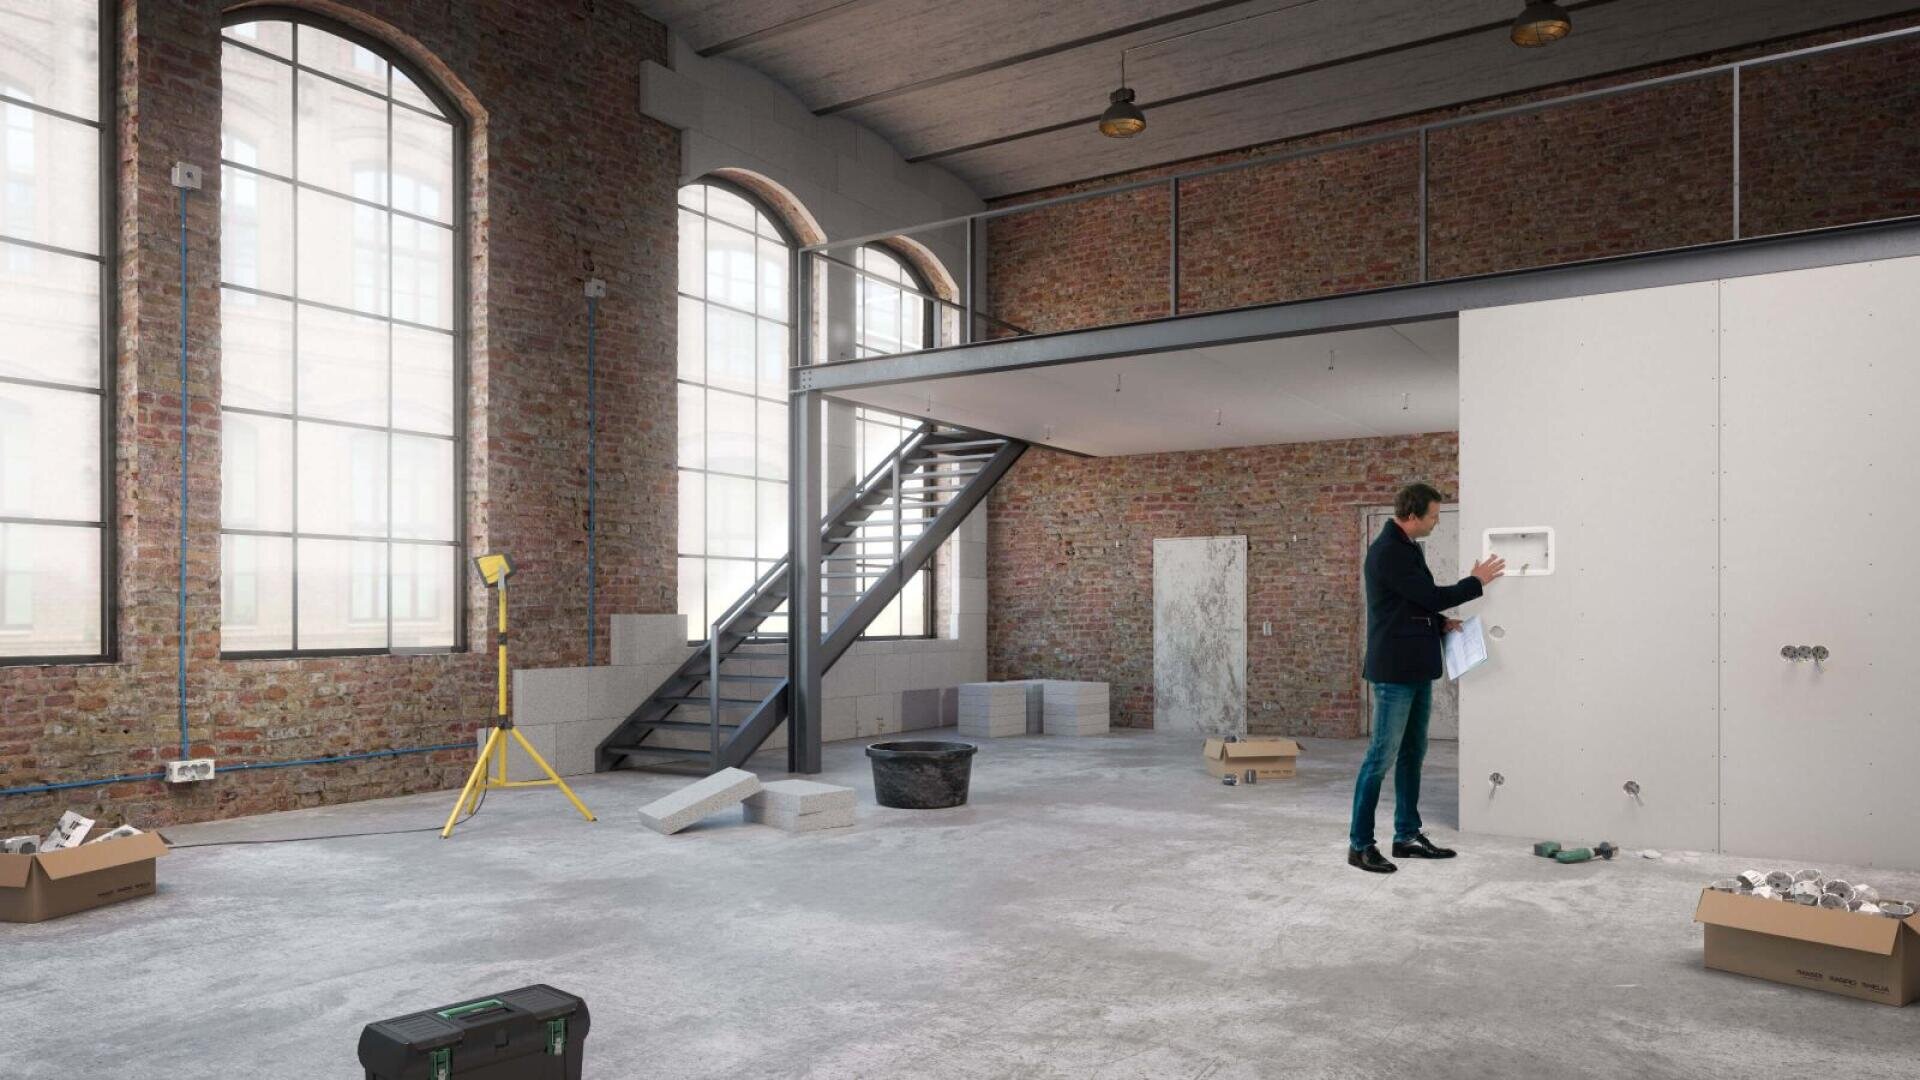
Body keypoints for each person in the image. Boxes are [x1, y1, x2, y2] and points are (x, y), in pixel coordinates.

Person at [1348, 483, 1504, 874]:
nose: (1437, 521)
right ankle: (1360, 845)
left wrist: (1438, 623)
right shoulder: (1387, 552)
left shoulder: (1408, 548)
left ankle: (1407, 836)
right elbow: (1431, 595)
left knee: (1413, 755)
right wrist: (1477, 581)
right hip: (1394, 672)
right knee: (1380, 758)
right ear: (1414, 515)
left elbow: (1412, 603)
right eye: (1434, 515)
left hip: (1416, 666)